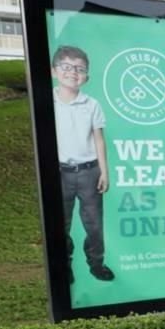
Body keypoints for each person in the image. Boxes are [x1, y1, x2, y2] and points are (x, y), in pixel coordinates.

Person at [52, 45, 114, 285]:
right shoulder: (49, 102)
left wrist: (104, 171)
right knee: (61, 223)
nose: (73, 72)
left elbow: (99, 139)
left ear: (86, 76)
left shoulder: (91, 104)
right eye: (66, 67)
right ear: (55, 71)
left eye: (79, 69)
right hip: (60, 173)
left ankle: (96, 263)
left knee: (94, 224)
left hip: (89, 171)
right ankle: (64, 266)